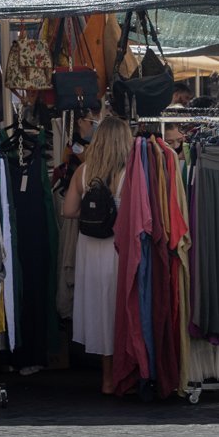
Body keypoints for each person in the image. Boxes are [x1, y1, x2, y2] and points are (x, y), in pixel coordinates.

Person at [63, 112, 131, 394]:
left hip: (91, 249)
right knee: (123, 309)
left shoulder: (85, 171)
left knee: (102, 312)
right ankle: (126, 374)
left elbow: (67, 211)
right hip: (120, 248)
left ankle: (107, 380)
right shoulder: (130, 172)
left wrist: (93, 215)